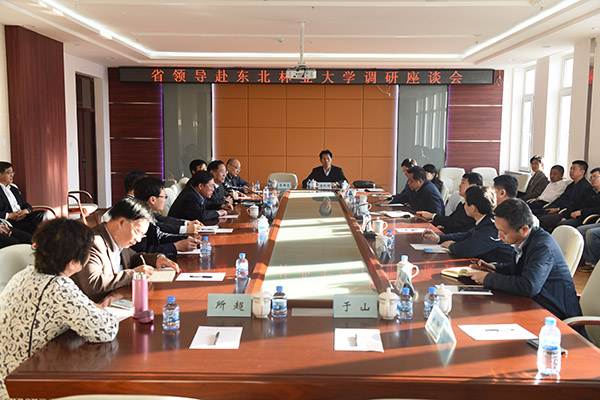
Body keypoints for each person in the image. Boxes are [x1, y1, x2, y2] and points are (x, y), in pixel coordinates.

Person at [0, 218, 119, 399]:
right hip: (25, 389)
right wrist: (99, 309)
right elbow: (105, 330)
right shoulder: (58, 287)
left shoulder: (23, 274)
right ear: (73, 262)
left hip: (8, 380)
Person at [467, 198, 581, 321]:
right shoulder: (525, 240)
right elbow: (521, 269)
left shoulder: (542, 246)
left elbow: (529, 286)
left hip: (554, 316)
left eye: (503, 232)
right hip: (533, 305)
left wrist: (487, 278)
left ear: (524, 229)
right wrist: (494, 267)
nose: (499, 236)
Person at [71, 197, 179, 302]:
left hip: (119, 300)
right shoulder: (92, 243)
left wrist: (157, 259)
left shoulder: (118, 239)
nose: (138, 239)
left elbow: (133, 258)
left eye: (142, 235)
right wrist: (133, 274)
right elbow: (93, 284)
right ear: (122, 222)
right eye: (137, 232)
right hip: (97, 306)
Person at [424, 186, 514, 263]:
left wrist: (452, 246)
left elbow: (467, 249)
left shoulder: (492, 226)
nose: (464, 206)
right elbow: (467, 235)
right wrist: (439, 238)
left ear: (472, 208)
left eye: (466, 203)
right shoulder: (485, 220)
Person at [132, 176, 197, 256]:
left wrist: (187, 239)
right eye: (164, 196)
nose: (165, 200)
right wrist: (176, 246)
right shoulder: (139, 220)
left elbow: (160, 236)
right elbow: (143, 251)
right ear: (152, 200)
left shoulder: (149, 214)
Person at [416, 172, 482, 234]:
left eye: (463, 183)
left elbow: (456, 222)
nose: (459, 185)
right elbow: (454, 220)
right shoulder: (463, 201)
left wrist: (432, 216)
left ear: (473, 186)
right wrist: (444, 227)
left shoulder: (474, 205)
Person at [538, 160, 591, 231]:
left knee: (543, 219)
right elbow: (562, 198)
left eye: (574, 169)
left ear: (582, 172)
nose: (571, 171)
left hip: (571, 214)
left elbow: (574, 204)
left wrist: (559, 210)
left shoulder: (585, 187)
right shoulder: (571, 185)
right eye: (571, 169)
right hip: (562, 209)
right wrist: (551, 206)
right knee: (538, 213)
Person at [0, 161, 51, 234]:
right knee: (36, 228)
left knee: (42, 214)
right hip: (10, 221)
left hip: (23, 217)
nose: (12, 175)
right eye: (9, 172)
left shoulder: (14, 189)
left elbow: (26, 205)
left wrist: (25, 211)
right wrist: (9, 215)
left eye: (12, 172)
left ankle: (45, 238)